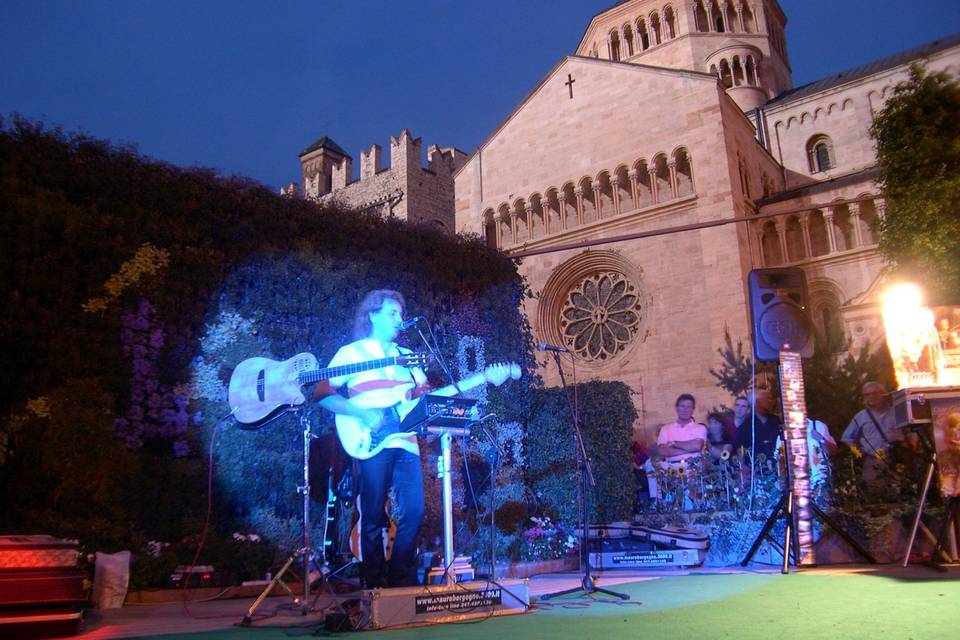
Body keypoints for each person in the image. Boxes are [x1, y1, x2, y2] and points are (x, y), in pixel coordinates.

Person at [315, 289, 429, 588]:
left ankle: (398, 578)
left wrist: (425, 395)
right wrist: (362, 414)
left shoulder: (408, 357)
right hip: (370, 440)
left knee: (415, 511)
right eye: (392, 313)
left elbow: (423, 400)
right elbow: (321, 394)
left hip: (406, 441)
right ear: (373, 315)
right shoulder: (351, 353)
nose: (399, 319)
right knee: (373, 513)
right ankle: (373, 583)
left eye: (400, 314)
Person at [645, 394, 708, 500]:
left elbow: (697, 446)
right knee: (650, 463)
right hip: (671, 468)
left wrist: (674, 443)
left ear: (693, 409)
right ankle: (656, 500)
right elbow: (662, 451)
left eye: (688, 407)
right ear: (677, 407)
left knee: (690, 504)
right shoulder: (666, 429)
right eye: (682, 406)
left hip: (691, 467)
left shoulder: (700, 428)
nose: (685, 409)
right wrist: (688, 447)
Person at [841, 381, 906, 481]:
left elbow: (911, 432)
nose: (871, 396)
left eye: (875, 393)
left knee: (901, 490)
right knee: (874, 492)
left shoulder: (896, 412)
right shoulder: (861, 416)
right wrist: (858, 453)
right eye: (867, 394)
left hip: (897, 460)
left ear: (883, 394)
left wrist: (910, 451)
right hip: (872, 462)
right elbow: (846, 438)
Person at [734, 389, 782, 460]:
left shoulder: (775, 420)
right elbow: (740, 448)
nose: (771, 401)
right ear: (756, 402)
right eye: (767, 398)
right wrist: (743, 465)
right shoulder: (746, 425)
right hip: (757, 465)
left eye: (771, 398)